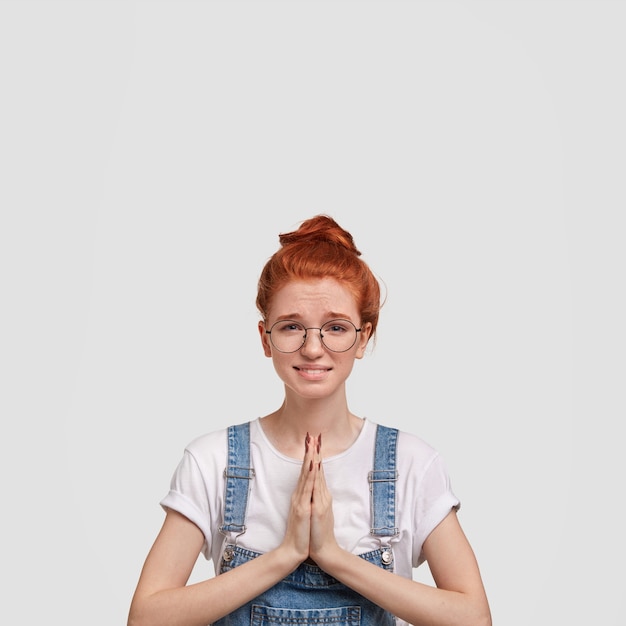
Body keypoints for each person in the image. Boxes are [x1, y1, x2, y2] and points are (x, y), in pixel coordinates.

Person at [127, 214, 492, 626]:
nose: (313, 348)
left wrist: (333, 556)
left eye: (335, 327)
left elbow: (473, 618)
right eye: (291, 327)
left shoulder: (411, 463)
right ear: (265, 338)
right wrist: (287, 553)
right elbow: (146, 618)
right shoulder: (213, 461)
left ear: (364, 337)